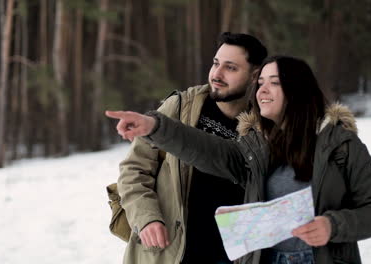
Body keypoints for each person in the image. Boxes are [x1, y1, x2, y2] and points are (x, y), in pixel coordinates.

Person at [106, 55, 371, 264]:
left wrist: (333, 225)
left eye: (274, 83)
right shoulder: (255, 147)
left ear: (299, 90)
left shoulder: (342, 145)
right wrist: (155, 127)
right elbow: (206, 149)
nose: (262, 90)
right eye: (261, 82)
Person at [114, 32, 267, 264]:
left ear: (254, 75)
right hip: (171, 250)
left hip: (230, 256)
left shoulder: (262, 126)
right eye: (216, 63)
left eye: (230, 68)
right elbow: (134, 168)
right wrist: (147, 217)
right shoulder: (181, 107)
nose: (217, 74)